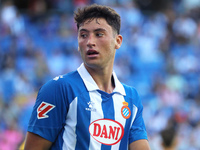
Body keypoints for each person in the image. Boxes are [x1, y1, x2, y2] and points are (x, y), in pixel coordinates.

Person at [24, 4, 150, 150]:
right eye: (83, 35)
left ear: (118, 41)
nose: (90, 42)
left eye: (99, 34)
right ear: (78, 43)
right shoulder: (58, 89)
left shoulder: (131, 98)